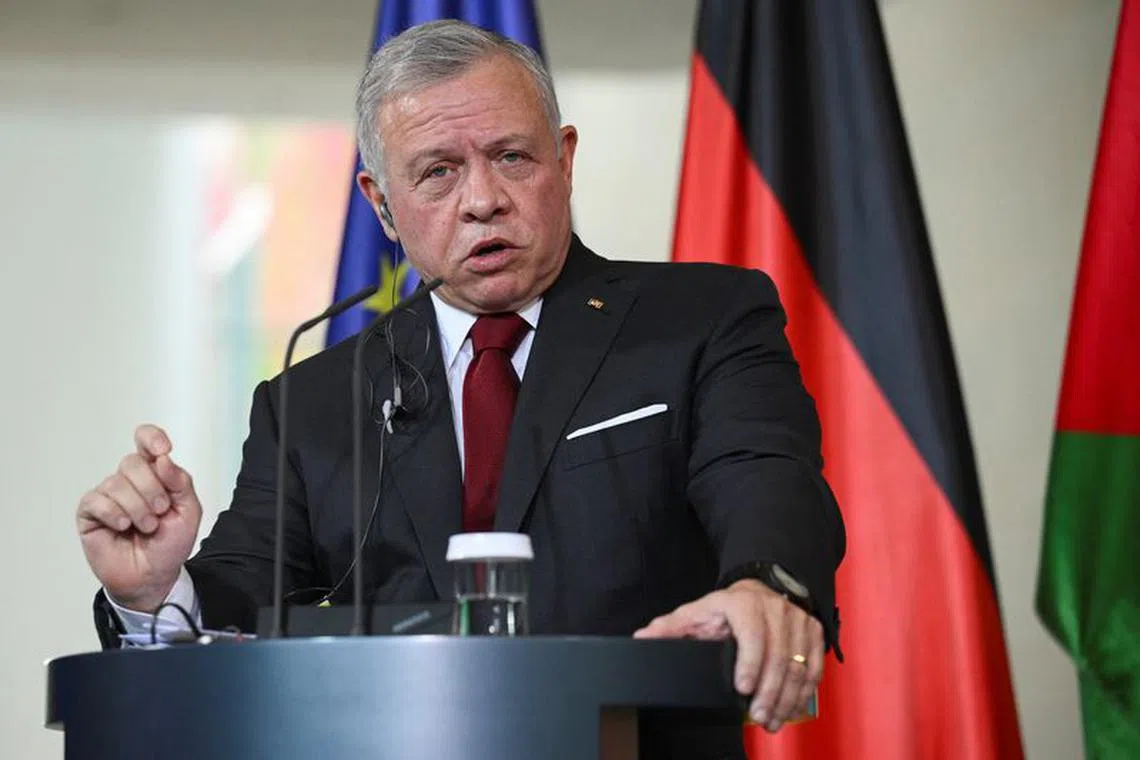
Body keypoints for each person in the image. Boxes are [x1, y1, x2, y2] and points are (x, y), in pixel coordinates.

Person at [75, 19, 845, 759]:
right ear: (381, 204)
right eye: (438, 172)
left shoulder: (700, 320)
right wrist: (154, 590)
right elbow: (247, 590)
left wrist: (765, 583)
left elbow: (763, 475)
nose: (482, 199)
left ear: (564, 159)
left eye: (511, 156)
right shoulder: (311, 402)